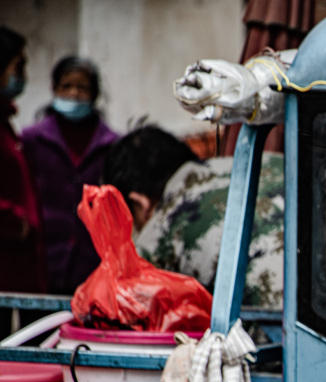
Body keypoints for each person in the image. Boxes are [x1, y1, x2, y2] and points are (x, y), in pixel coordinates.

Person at [102, 125, 285, 309]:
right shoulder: (259, 162)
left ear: (140, 204)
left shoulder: (163, 224)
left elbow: (123, 302)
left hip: (274, 326)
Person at [22, 56, 119, 295]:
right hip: (42, 262)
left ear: (94, 95)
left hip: (92, 264)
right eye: (67, 86)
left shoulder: (112, 145)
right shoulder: (31, 140)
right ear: (54, 88)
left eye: (82, 88)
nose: (74, 94)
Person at [0, 26, 47, 338]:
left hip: (20, 269)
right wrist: (14, 221)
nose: (22, 75)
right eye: (17, 67)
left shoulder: (7, 126)